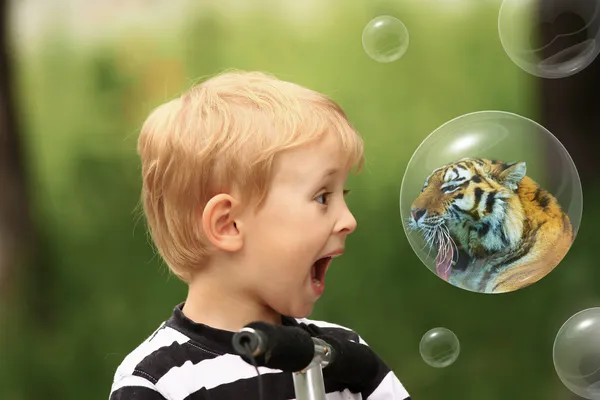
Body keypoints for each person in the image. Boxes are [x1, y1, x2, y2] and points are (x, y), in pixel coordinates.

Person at [108, 70, 411, 399]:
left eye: (343, 195)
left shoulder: (341, 357)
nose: (348, 220)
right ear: (229, 224)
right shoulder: (159, 382)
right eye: (322, 197)